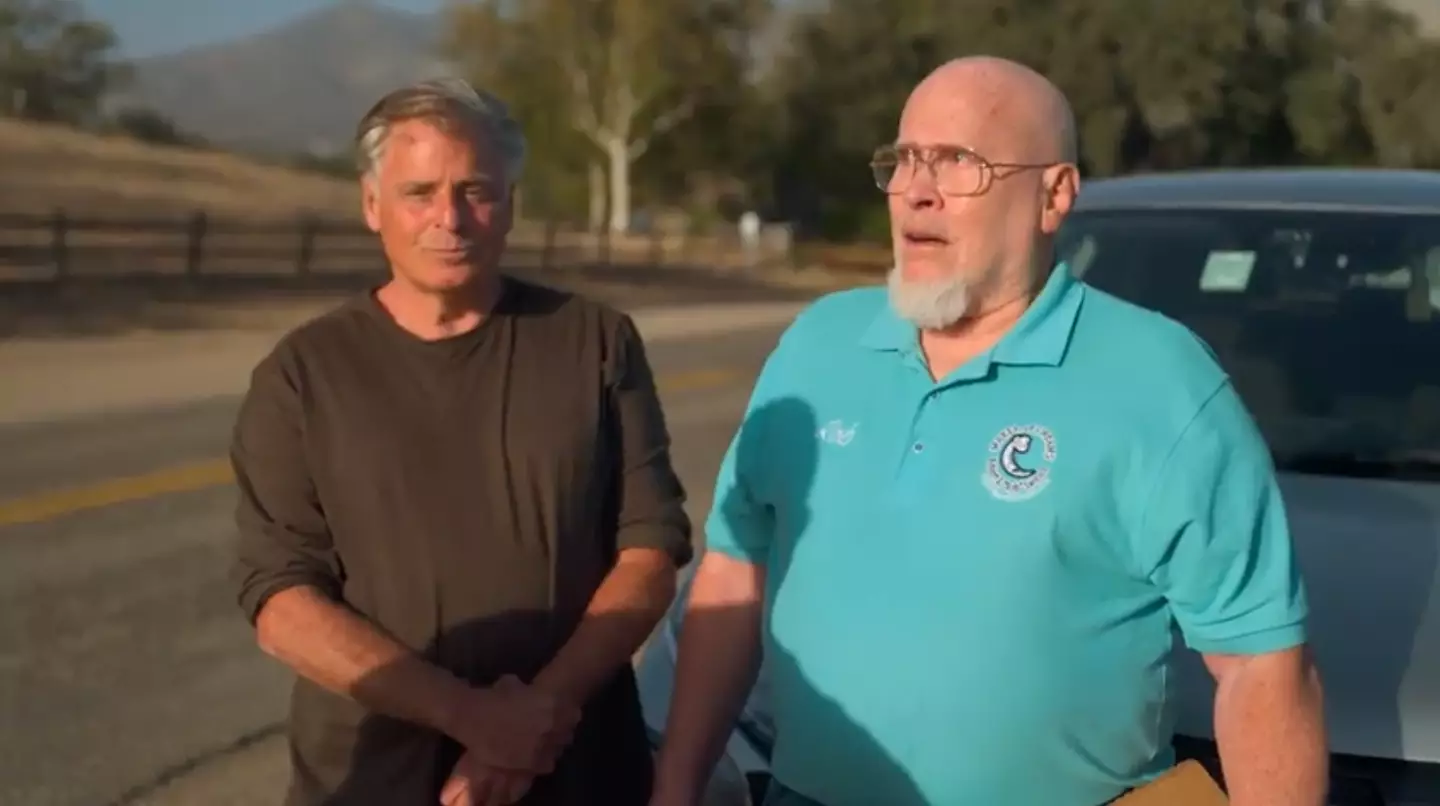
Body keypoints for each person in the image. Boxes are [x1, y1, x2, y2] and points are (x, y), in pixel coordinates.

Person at [650, 56, 1328, 806]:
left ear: (1054, 195)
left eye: (959, 163)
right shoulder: (818, 344)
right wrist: (676, 787)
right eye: (904, 159)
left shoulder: (1161, 381)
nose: (916, 189)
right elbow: (734, 570)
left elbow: (1260, 667)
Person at [228, 77, 692, 806]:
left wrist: (533, 723)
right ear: (372, 205)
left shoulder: (595, 342)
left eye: (475, 190)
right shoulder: (301, 375)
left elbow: (650, 551)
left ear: (510, 203)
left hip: (578, 767)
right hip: (371, 779)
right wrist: (470, 715)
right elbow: (281, 602)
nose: (449, 218)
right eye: (419, 193)